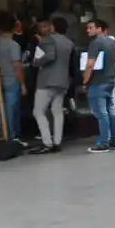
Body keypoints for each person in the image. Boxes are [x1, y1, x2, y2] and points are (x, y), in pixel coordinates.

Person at [29, 17, 74, 154]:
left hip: (47, 81)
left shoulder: (49, 39)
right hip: (63, 81)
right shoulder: (69, 43)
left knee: (38, 111)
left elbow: (49, 56)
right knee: (57, 111)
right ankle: (57, 142)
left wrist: (36, 62)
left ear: (53, 27)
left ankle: (47, 142)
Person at [81, 18, 115, 154]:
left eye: (91, 28)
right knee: (110, 110)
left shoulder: (95, 43)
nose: (88, 30)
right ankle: (114, 140)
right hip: (110, 80)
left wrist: (85, 81)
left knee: (100, 112)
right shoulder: (112, 42)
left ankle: (103, 142)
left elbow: (90, 64)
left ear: (99, 29)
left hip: (98, 82)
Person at [0, 15, 26, 141]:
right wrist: (23, 84)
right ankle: (12, 136)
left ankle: (1, 135)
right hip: (11, 80)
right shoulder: (13, 45)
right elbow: (17, 66)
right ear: (14, 28)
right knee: (11, 110)